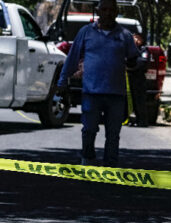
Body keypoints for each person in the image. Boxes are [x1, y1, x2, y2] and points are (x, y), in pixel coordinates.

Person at [57, 0, 139, 167]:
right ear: (98, 11)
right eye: (105, 9)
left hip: (116, 94)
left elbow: (134, 60)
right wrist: (62, 81)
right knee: (88, 130)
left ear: (116, 12)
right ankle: (88, 159)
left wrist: (135, 62)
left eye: (111, 10)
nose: (108, 13)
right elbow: (72, 58)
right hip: (92, 92)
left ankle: (110, 166)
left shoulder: (124, 35)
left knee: (113, 133)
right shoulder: (86, 32)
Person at [128, 33, 149, 127]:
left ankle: (142, 120)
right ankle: (132, 119)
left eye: (138, 38)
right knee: (131, 100)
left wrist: (131, 68)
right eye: (134, 38)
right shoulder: (129, 50)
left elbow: (142, 62)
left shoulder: (144, 49)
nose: (136, 40)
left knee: (140, 100)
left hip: (139, 78)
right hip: (130, 77)